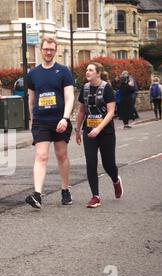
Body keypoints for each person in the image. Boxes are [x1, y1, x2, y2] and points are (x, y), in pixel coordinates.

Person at [25, 36, 75, 209]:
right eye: (45, 49)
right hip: (41, 121)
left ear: (55, 51)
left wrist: (65, 118)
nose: (48, 52)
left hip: (59, 120)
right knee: (41, 156)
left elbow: (69, 97)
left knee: (61, 155)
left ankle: (65, 190)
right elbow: (31, 100)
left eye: (51, 49)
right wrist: (32, 120)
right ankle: (37, 194)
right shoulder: (33, 74)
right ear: (41, 50)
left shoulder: (63, 71)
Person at [75, 62, 124, 208]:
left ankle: (115, 180)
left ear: (98, 73)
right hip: (89, 130)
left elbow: (111, 112)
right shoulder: (84, 88)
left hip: (106, 131)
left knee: (108, 164)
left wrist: (99, 128)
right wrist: (77, 130)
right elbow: (81, 111)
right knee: (91, 163)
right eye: (86, 70)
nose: (87, 72)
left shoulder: (107, 88)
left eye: (90, 70)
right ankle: (95, 196)